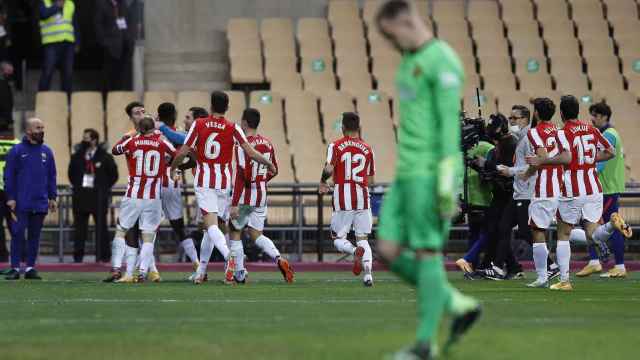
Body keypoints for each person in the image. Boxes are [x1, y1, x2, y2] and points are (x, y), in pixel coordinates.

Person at [374, 2, 480, 358]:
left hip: (429, 173)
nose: (392, 44)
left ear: (405, 21)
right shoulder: (407, 62)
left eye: (391, 36)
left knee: (426, 254)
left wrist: (447, 185)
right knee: (386, 250)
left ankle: (424, 345)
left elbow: (449, 127)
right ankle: (456, 303)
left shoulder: (444, 60)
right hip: (404, 173)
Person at [171, 91, 276, 285]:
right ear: (227, 107)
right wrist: (268, 163)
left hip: (205, 181)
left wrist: (173, 167)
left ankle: (232, 258)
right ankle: (201, 271)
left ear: (211, 105)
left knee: (210, 226)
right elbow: (251, 153)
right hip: (224, 182)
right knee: (211, 229)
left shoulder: (199, 124)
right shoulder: (233, 127)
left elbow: (183, 151)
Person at [526, 95, 616, 290]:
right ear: (577, 111)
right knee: (592, 233)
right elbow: (611, 152)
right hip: (593, 186)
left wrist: (542, 161)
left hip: (572, 187)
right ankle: (611, 225)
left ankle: (565, 281)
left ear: (562, 113)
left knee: (563, 234)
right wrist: (590, 159)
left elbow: (566, 158)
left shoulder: (562, 132)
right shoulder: (591, 129)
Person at [229, 108, 293, 284]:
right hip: (261, 194)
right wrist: (262, 181)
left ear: (244, 123)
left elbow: (241, 176)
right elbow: (274, 170)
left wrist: (234, 203)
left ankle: (240, 273)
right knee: (256, 234)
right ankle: (278, 258)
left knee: (235, 232)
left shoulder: (242, 145)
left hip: (246, 196)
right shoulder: (267, 143)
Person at [110, 115, 175, 283]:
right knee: (148, 236)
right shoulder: (161, 142)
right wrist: (167, 163)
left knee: (121, 230)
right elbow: (176, 153)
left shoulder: (132, 142)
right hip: (153, 197)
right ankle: (143, 271)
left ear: (139, 128)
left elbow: (115, 150)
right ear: (154, 128)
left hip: (133, 194)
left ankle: (116, 268)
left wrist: (127, 136)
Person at [576, 102, 633, 278]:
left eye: (595, 115)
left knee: (594, 223)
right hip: (607, 187)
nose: (592, 119)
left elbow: (599, 164)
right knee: (605, 224)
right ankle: (609, 264)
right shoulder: (610, 133)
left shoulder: (608, 135)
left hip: (605, 188)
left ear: (603, 116)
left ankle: (604, 263)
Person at [318, 112, 376, 286]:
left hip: (343, 196)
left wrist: (322, 182)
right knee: (363, 238)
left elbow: (329, 168)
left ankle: (353, 251)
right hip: (363, 196)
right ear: (358, 127)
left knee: (337, 239)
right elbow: (370, 179)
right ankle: (368, 276)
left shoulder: (335, 145)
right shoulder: (368, 148)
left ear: (343, 127)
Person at [4, 118, 57, 280]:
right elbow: (9, 176)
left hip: (40, 201)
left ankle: (30, 268)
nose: (41, 130)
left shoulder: (47, 152)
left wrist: (52, 196)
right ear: (28, 131)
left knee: (35, 236)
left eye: (42, 127)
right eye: (37, 128)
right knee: (18, 234)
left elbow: (52, 175)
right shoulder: (16, 151)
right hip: (21, 202)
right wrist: (11, 197)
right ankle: (14, 268)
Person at [103, 100, 146, 282]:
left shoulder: (158, 133)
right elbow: (115, 150)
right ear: (130, 117)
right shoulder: (129, 136)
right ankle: (120, 269)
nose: (141, 115)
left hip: (153, 189)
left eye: (143, 111)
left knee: (146, 232)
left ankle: (142, 270)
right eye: (137, 113)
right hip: (136, 188)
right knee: (129, 230)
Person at [156, 102, 200, 271]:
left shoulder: (152, 132)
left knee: (148, 226)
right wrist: (179, 168)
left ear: (158, 115)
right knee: (179, 226)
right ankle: (196, 263)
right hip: (172, 181)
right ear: (173, 114)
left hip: (153, 182)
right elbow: (193, 159)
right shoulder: (179, 134)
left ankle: (145, 268)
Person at [68, 129, 118, 263]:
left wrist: (103, 187)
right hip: (81, 197)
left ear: (95, 140)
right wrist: (79, 185)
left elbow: (113, 175)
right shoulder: (77, 156)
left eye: (87, 138)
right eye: (83, 138)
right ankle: (78, 257)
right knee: (80, 229)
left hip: (98, 197)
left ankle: (103, 256)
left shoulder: (105, 157)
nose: (84, 141)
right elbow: (71, 174)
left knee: (101, 228)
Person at [455, 138, 494, 276]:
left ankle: (471, 264)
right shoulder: (482, 147)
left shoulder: (476, 147)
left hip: (477, 197)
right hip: (476, 197)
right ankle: (470, 263)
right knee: (481, 233)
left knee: (479, 233)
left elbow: (459, 174)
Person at [38, 0, 78, 94]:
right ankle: (42, 100)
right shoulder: (45, 2)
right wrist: (57, 6)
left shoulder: (70, 3)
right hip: (51, 43)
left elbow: (75, 24)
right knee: (48, 72)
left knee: (68, 74)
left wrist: (77, 42)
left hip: (68, 43)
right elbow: (43, 14)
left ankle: (67, 103)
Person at [95, 0, 136, 91]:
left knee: (123, 78)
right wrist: (105, 42)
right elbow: (98, 25)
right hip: (110, 48)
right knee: (110, 78)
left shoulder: (123, 4)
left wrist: (130, 39)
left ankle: (121, 99)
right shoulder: (102, 4)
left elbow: (130, 22)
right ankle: (109, 101)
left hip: (125, 47)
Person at [0, 134, 19, 262]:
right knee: (15, 224)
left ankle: (2, 256)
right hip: (14, 190)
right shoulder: (18, 144)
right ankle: (22, 257)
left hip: (2, 189)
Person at [0, 2, 14, 132]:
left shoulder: (3, 31)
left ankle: (6, 119)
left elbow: (5, 53)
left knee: (4, 87)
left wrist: (6, 63)